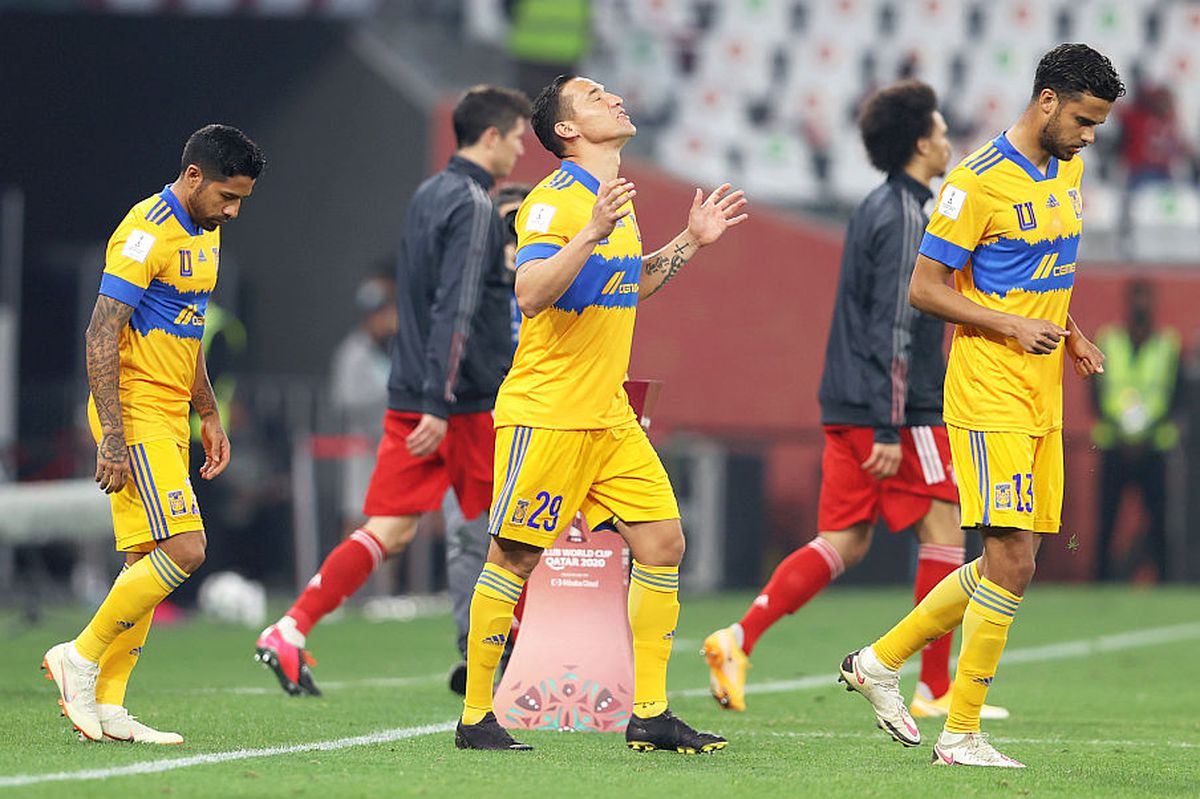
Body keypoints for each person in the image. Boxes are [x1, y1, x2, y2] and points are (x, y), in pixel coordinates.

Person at [838, 43, 1123, 768]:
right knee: (1010, 557)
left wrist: (1071, 333)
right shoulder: (975, 182)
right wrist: (1011, 325)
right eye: (1085, 119)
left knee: (1017, 558)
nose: (1091, 135)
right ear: (1048, 101)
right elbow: (926, 287)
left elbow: (1043, 271)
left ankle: (879, 661)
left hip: (1040, 389)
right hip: (988, 386)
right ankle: (960, 733)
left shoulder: (1068, 170)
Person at [453, 74, 747, 753]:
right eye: (594, 96)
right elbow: (529, 292)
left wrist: (692, 241)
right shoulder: (558, 201)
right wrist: (588, 232)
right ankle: (475, 718)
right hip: (549, 411)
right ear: (566, 130)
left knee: (663, 542)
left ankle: (648, 714)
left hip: (607, 415)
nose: (614, 98)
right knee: (514, 555)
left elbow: (631, 281)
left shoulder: (611, 199)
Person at [703, 79, 1005, 722]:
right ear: (922, 141)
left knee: (845, 539)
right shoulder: (905, 216)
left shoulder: (876, 207)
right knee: (947, 529)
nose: (951, 139)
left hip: (848, 401)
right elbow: (895, 324)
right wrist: (892, 425)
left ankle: (738, 638)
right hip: (898, 408)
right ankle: (934, 687)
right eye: (944, 130)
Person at [254, 85, 531, 696]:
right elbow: (455, 308)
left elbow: (417, 300)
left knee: (391, 528)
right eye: (515, 136)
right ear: (491, 137)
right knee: (514, 532)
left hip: (411, 393)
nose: (519, 148)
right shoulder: (476, 208)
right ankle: (509, 660)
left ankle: (291, 629)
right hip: (460, 403)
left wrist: (422, 393)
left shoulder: (427, 195)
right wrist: (441, 399)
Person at [41, 125, 265, 743]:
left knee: (147, 560)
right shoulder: (146, 232)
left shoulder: (206, 234)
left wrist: (210, 412)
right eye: (227, 195)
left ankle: (109, 703)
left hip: (173, 414)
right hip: (133, 412)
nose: (233, 210)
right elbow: (99, 333)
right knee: (186, 549)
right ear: (193, 176)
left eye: (242, 198)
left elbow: (188, 335)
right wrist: (111, 436)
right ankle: (79, 658)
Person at [1091, 279, 1182, 581]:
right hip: (1115, 445)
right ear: (1128, 302)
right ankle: (1100, 582)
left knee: (1159, 521)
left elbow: (1177, 394)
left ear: (1154, 302)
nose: (1141, 304)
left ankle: (1165, 580)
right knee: (1106, 521)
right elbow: (1095, 389)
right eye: (1137, 297)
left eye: (1146, 297)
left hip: (1154, 447)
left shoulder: (1168, 344)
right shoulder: (1109, 340)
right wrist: (1120, 428)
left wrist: (1147, 430)